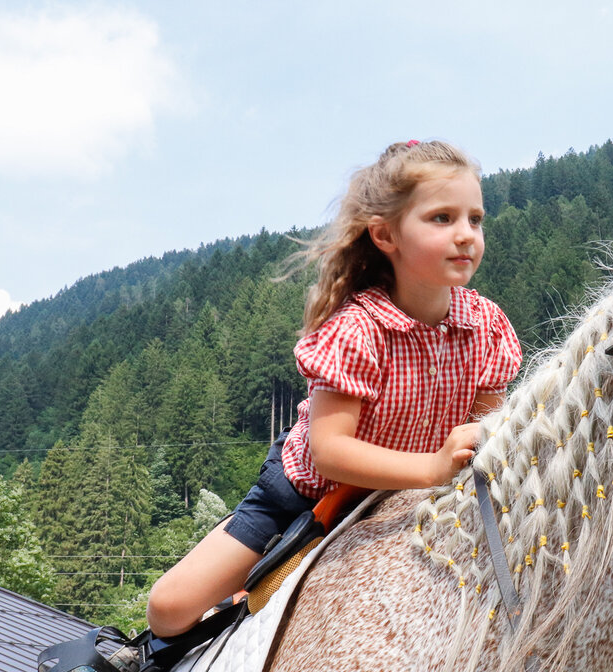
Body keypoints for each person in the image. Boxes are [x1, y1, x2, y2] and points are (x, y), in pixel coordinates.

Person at [146, 140, 522, 637]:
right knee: (169, 608)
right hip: (306, 496)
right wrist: (432, 466)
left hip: (414, 499)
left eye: (475, 219)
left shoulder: (486, 327)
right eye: (442, 219)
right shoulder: (358, 329)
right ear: (385, 235)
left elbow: (482, 436)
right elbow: (329, 452)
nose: (465, 235)